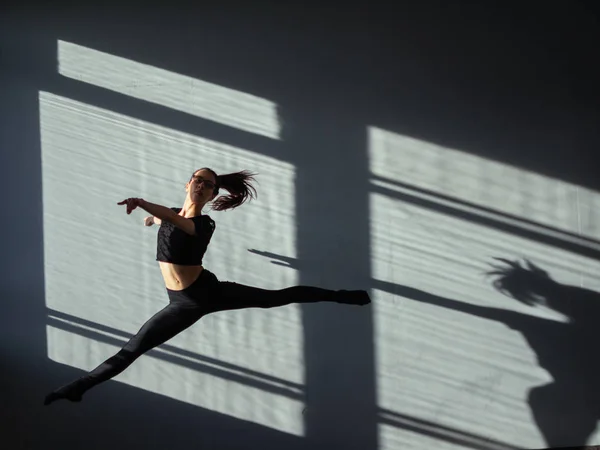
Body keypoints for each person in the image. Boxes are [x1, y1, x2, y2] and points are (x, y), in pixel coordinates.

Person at [44, 168, 371, 405]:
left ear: (213, 195)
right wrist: (148, 218)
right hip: (180, 303)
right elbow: (164, 218)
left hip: (208, 292)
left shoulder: (203, 222)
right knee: (133, 349)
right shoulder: (172, 213)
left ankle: (342, 297)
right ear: (188, 183)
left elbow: (174, 220)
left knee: (275, 299)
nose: (201, 185)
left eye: (208, 185)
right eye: (198, 180)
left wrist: (144, 204)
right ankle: (78, 387)